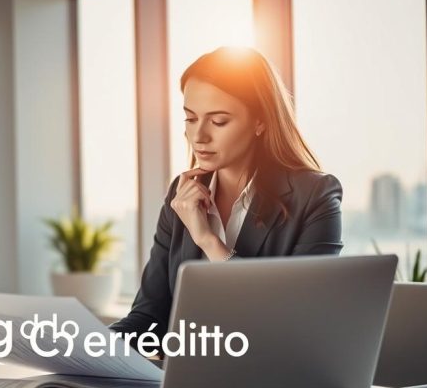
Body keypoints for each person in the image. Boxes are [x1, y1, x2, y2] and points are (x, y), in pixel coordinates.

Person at [109, 47, 343, 342]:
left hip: (271, 377)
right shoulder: (180, 196)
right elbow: (149, 317)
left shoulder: (315, 196)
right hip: (188, 376)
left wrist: (208, 240)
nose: (199, 136)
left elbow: (292, 316)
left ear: (261, 121)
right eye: (190, 119)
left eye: (218, 121)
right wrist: (85, 348)